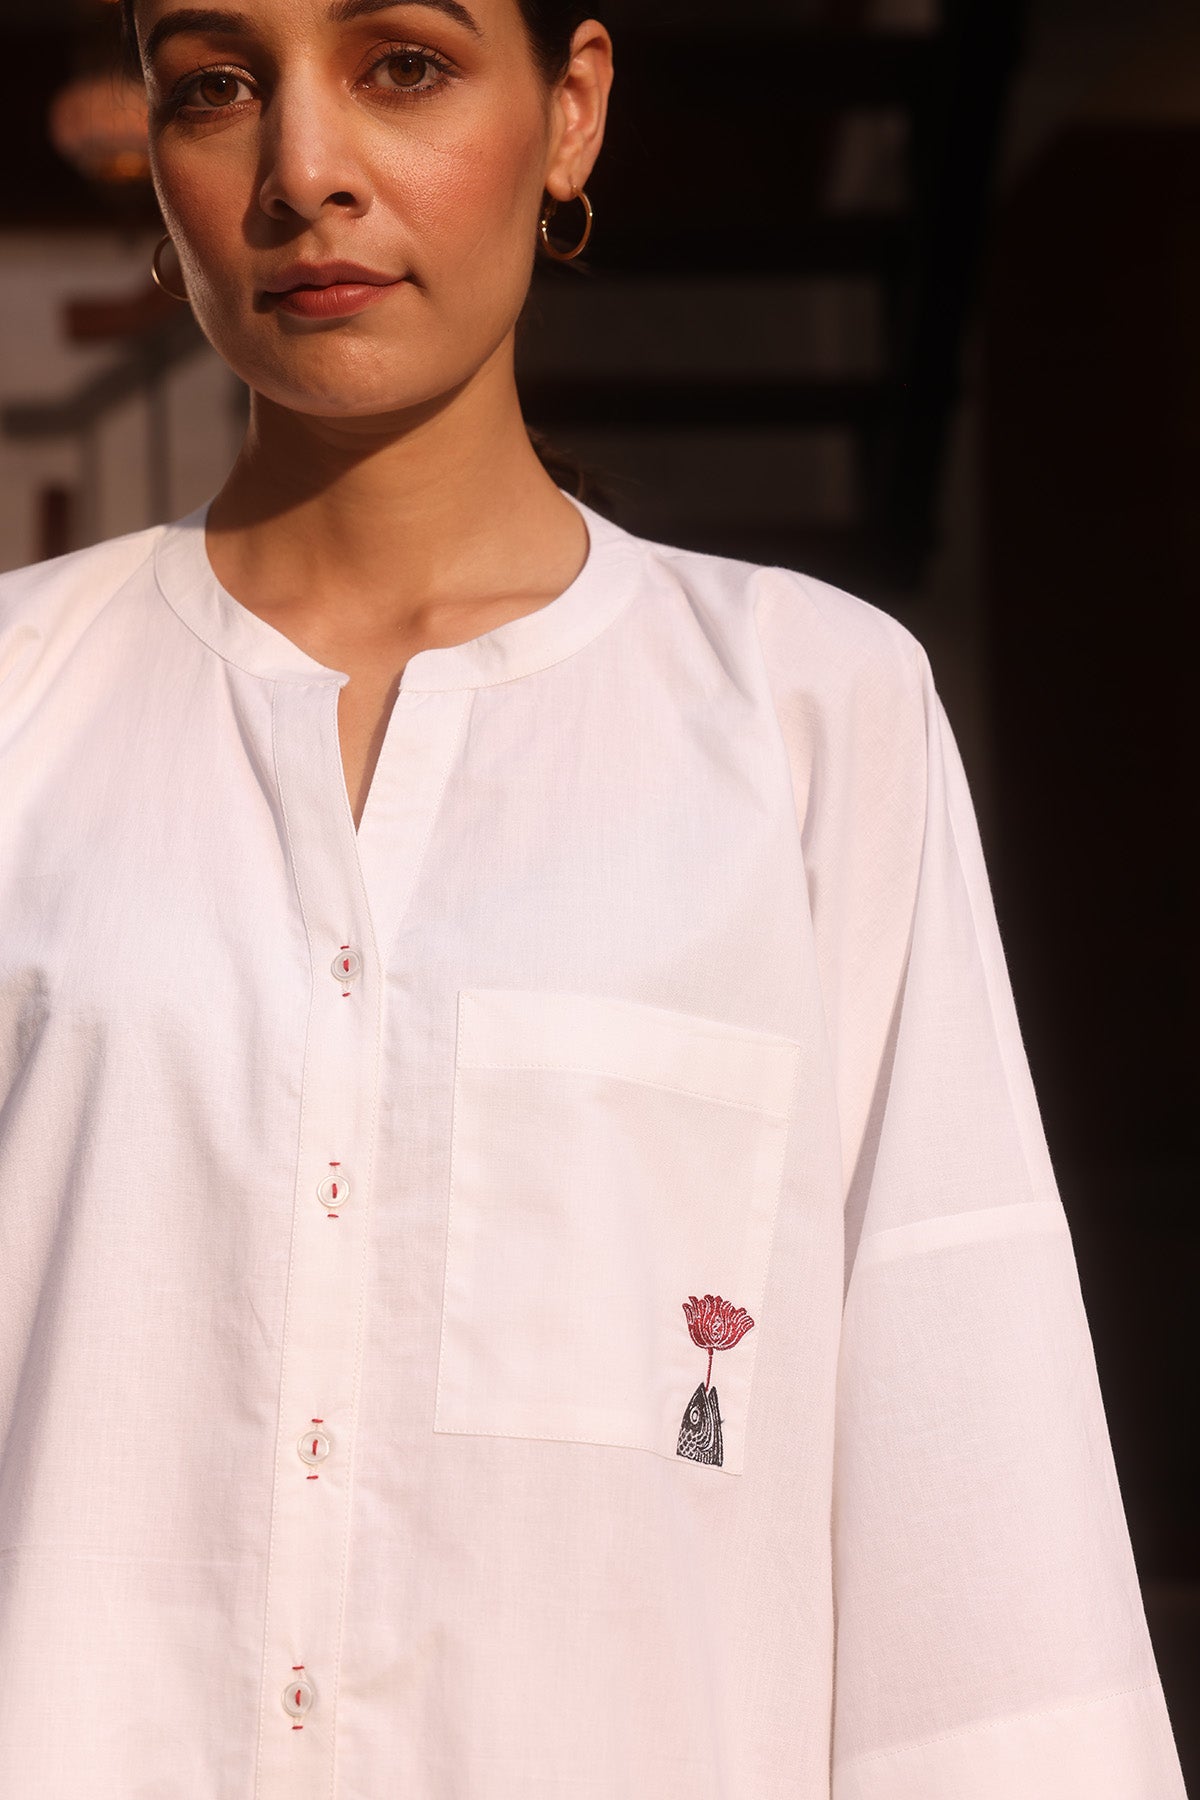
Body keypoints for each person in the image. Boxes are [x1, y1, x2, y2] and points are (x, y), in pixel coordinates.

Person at [0, 1, 1187, 1795]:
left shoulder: (806, 720)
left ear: (570, 111)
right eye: (218, 86)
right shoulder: (23, 706)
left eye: (402, 65)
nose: (304, 169)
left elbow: (971, 1465)